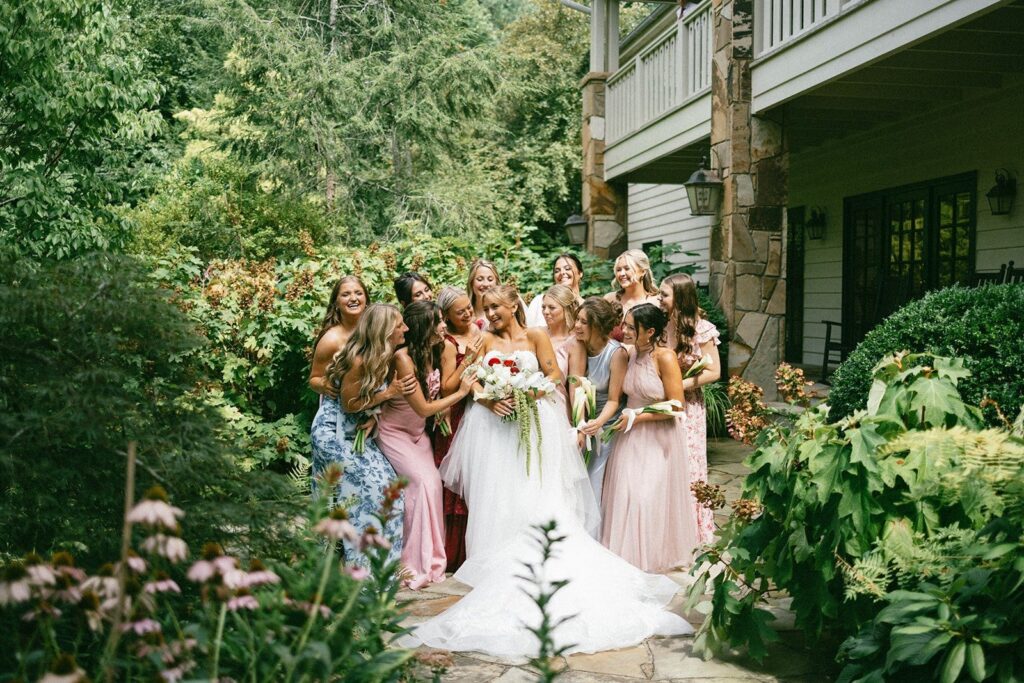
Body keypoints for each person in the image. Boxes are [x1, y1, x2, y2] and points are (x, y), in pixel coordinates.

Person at [403, 286, 692, 658]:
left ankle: (542, 552)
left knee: (537, 495)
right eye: (486, 308)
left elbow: (554, 376)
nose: (489, 313)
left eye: (496, 307)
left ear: (513, 307)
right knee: (500, 496)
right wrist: (489, 397)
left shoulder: (536, 335)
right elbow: (467, 383)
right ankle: (498, 561)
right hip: (494, 428)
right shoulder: (483, 338)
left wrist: (527, 393)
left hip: (534, 422)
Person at [375, 302, 476, 588]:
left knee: (434, 484)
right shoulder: (403, 358)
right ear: (425, 328)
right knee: (423, 482)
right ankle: (411, 562)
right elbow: (422, 407)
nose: (444, 326)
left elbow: (438, 390)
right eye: (439, 322)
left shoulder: (433, 351)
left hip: (419, 434)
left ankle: (433, 559)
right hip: (395, 432)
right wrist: (462, 393)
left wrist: (467, 361)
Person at [310, 304, 418, 567]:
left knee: (391, 491)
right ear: (385, 330)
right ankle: (361, 572)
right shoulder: (359, 359)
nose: (405, 328)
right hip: (334, 435)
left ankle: (380, 569)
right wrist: (389, 393)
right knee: (368, 499)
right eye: (400, 325)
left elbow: (365, 404)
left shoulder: (382, 355)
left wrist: (372, 417)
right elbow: (350, 404)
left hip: (357, 431)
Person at [600, 303, 699, 573]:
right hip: (630, 436)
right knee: (628, 494)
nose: (625, 330)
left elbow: (676, 406)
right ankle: (626, 556)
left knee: (648, 496)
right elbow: (615, 396)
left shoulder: (665, 357)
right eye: (625, 324)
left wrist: (638, 416)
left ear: (651, 331)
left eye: (632, 327)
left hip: (658, 435)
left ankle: (652, 556)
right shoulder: (627, 355)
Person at [659, 273, 721, 545]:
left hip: (689, 407)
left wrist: (678, 384)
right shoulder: (661, 327)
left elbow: (714, 372)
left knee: (689, 466)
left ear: (679, 298)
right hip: (662, 404)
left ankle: (693, 533)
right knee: (665, 465)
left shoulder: (702, 329)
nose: (659, 299)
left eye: (664, 295)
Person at [434, 286, 484, 571]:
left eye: (468, 308)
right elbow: (447, 386)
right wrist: (471, 359)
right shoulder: (449, 343)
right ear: (447, 316)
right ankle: (455, 552)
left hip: (480, 411)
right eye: (460, 311)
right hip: (456, 415)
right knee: (458, 481)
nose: (467, 313)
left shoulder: (479, 329)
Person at [572, 297, 627, 505]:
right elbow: (576, 389)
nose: (576, 325)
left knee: (595, 481)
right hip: (586, 421)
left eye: (583, 322)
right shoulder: (581, 347)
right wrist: (581, 423)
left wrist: (598, 423)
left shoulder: (616, 353)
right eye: (577, 319)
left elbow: (615, 400)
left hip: (608, 425)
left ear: (597, 326)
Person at [309, 276, 368, 398]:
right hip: (342, 410)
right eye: (345, 295)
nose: (353, 298)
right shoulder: (330, 339)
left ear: (366, 299)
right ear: (336, 303)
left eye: (358, 293)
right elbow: (314, 379)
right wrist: (324, 384)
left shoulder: (376, 329)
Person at [536, 284, 582, 405]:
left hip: (556, 404)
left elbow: (575, 387)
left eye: (552, 308)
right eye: (543, 307)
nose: (545, 312)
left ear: (566, 309)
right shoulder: (536, 333)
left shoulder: (574, 343)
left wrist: (578, 420)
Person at [604, 249, 660, 341]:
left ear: (643, 271)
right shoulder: (609, 299)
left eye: (627, 268)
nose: (621, 274)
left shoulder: (656, 302)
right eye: (618, 270)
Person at [525, 253, 584, 328]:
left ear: (580, 273)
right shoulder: (539, 301)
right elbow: (527, 331)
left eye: (567, 268)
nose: (562, 272)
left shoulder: (586, 307)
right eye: (557, 271)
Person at [465, 259, 500, 328]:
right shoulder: (465, 313)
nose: (486, 284)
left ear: (496, 282)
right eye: (480, 279)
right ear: (471, 283)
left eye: (490, 279)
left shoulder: (506, 309)